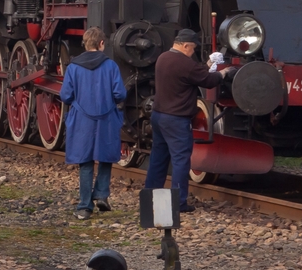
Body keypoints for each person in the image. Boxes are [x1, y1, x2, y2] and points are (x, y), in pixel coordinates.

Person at [144, 29, 225, 214]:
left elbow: (192, 74)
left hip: (159, 116)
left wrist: (208, 64)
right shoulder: (184, 63)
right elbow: (208, 80)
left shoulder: (163, 58)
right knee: (181, 161)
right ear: (186, 45)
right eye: (193, 48)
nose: (193, 52)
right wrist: (224, 73)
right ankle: (178, 203)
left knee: (158, 159)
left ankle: (150, 197)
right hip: (176, 119)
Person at [60, 27, 126, 220]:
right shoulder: (111, 66)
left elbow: (65, 95)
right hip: (106, 118)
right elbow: (120, 93)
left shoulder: (73, 67)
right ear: (102, 44)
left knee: (85, 161)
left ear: (85, 43)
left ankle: (84, 207)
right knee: (105, 157)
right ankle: (102, 194)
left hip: (82, 119)